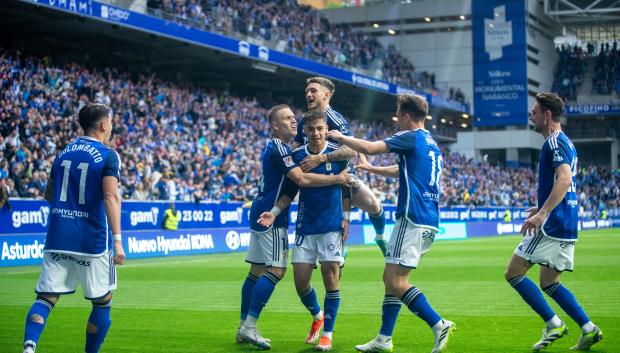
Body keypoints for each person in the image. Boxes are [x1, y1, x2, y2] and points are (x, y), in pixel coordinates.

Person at [328, 94, 455, 353]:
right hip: (428, 219)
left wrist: (339, 138)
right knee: (391, 278)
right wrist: (372, 170)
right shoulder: (431, 143)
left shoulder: (410, 136)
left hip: (412, 217)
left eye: (398, 113)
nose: (396, 118)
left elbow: (370, 147)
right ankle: (384, 339)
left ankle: (438, 323)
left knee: (396, 281)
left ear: (407, 116)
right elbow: (401, 170)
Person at [236, 105, 350, 350]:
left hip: (265, 211)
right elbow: (299, 181)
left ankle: (244, 325)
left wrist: (346, 215)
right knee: (276, 270)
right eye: (288, 118)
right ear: (275, 125)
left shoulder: (287, 149)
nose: (294, 121)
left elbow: (353, 152)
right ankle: (249, 327)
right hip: (274, 217)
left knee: (256, 271)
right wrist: (337, 179)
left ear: (326, 129)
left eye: (294, 118)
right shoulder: (285, 150)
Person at [22, 103, 126, 353]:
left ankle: (29, 347)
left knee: (46, 298)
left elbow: (49, 193)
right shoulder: (108, 155)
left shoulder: (63, 152)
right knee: (103, 302)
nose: (111, 126)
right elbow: (110, 196)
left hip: (58, 236)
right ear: (103, 125)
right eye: (110, 122)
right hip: (92, 241)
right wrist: (118, 240)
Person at [505, 92, 603, 351]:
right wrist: (541, 205)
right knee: (549, 283)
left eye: (534, 111)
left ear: (547, 115)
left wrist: (542, 213)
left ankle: (553, 324)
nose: (531, 114)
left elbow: (565, 179)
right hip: (567, 222)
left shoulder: (554, 142)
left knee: (513, 273)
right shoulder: (566, 142)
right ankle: (589, 329)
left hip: (553, 224)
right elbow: (565, 184)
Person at [293, 77, 387, 256]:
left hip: (341, 179)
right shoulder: (304, 121)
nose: (308, 94)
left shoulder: (336, 119)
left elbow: (352, 149)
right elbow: (296, 146)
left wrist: (320, 159)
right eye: (307, 91)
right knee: (336, 252)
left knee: (374, 204)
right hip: (316, 182)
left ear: (326, 95)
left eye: (313, 91)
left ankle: (381, 237)